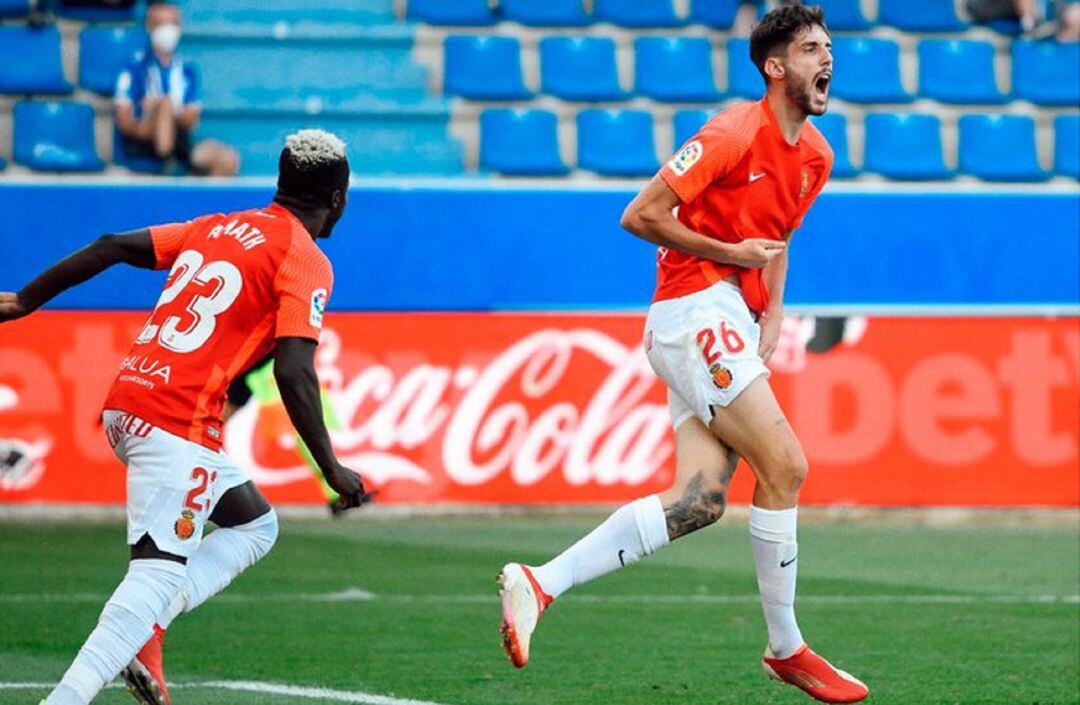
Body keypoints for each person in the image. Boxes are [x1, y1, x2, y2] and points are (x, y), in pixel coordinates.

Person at [497, 6, 869, 704]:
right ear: (775, 65)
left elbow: (779, 235)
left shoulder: (816, 154)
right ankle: (787, 647)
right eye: (812, 48)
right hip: (692, 307)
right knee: (785, 464)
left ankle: (540, 582)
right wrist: (731, 259)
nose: (828, 59)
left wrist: (774, 313)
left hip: (727, 314)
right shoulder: (731, 133)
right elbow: (639, 214)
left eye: (830, 47)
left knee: (699, 501)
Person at [0, 129, 369, 705]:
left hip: (130, 401)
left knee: (254, 525)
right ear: (339, 198)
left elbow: (109, 245)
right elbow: (294, 371)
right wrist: (332, 468)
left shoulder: (216, 225)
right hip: (177, 421)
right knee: (157, 574)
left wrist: (25, 300)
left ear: (279, 182)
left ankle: (147, 628)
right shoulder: (305, 260)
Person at [114, 1, 239, 176]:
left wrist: (170, 113)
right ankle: (166, 164)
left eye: (172, 23)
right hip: (142, 142)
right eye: (161, 24)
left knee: (227, 159)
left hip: (179, 140)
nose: (167, 30)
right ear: (149, 26)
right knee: (163, 105)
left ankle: (186, 178)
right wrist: (154, 114)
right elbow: (124, 122)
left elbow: (191, 119)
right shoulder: (134, 67)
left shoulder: (187, 70)